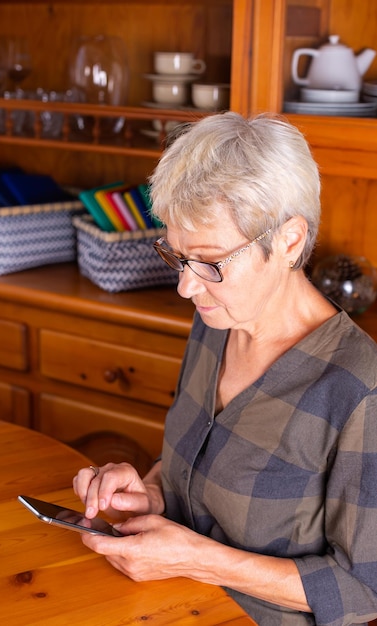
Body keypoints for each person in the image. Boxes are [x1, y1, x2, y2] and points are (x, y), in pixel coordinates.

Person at [73, 112, 377, 626]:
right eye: (178, 255)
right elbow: (196, 473)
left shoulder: (358, 389)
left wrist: (195, 558)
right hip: (165, 603)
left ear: (288, 240)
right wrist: (147, 491)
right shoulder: (216, 322)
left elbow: (363, 590)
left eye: (211, 262)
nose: (186, 288)